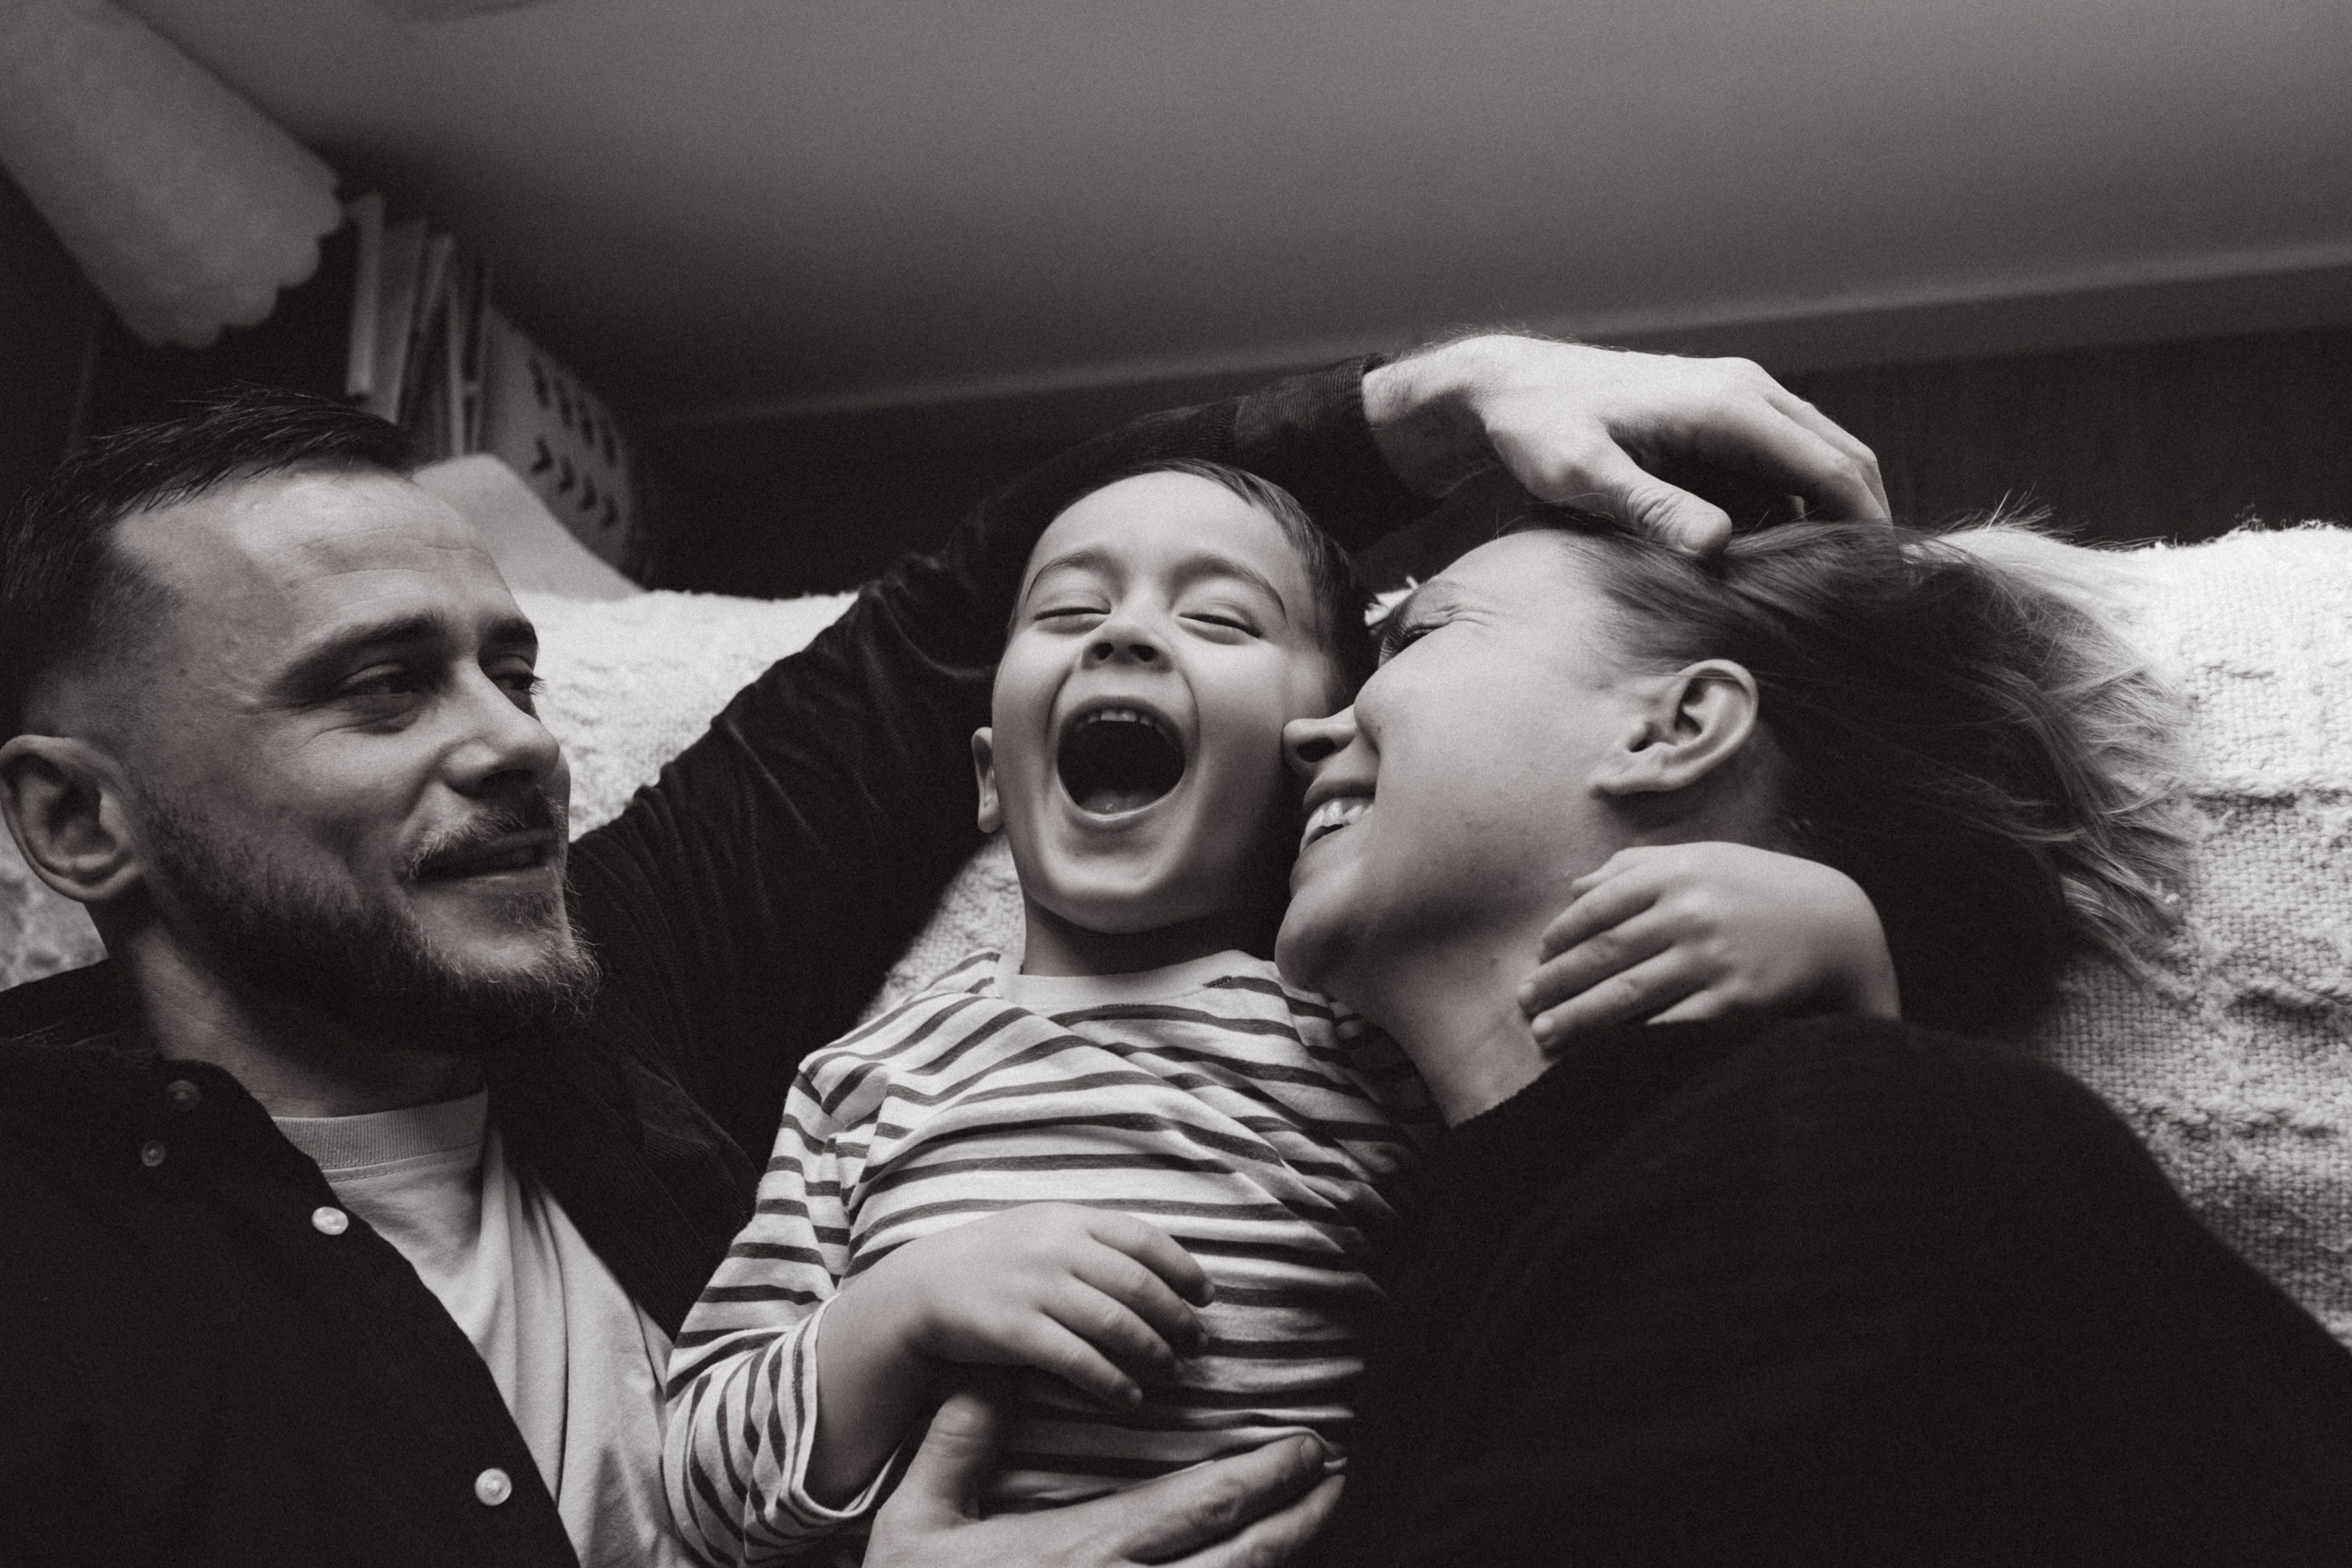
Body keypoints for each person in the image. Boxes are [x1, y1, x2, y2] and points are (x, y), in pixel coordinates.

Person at [0, 336, 1886, 1568]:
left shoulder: (598, 987)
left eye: (512, 666)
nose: (517, 745)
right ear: (80, 822)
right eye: (377, 687)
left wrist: (1436, 399)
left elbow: (935, 636)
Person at [662, 461, 1897, 1564]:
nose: (1124, 634)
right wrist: (895, 1313)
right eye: (1067, 611)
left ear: (1307, 759)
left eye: (1218, 619)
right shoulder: (861, 1079)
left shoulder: (1368, 1040)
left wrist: (1838, 952)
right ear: (990, 775)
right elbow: (697, 1486)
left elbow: (1630, 1203)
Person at [1227, 509, 2352, 1564]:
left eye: (1416, 636)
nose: (1303, 733)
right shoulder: (1429, 1270)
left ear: (1676, 728)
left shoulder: (1860, 1138)